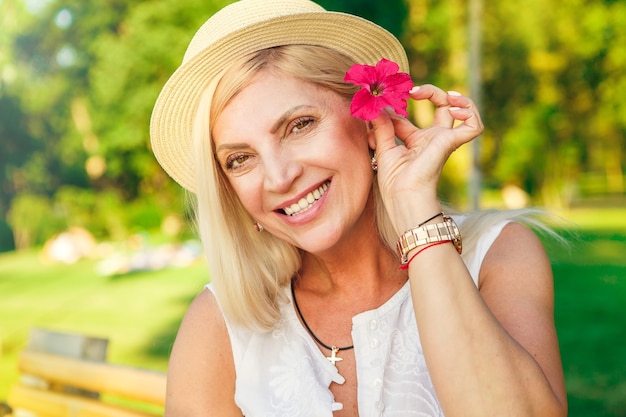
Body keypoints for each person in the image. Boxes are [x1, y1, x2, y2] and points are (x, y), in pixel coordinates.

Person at [149, 0, 568, 416]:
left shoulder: (497, 256)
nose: (278, 178)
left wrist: (416, 214)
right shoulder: (219, 324)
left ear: (370, 121)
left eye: (300, 125)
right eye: (240, 159)